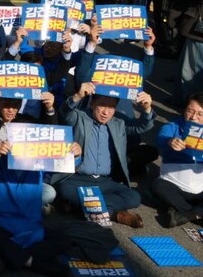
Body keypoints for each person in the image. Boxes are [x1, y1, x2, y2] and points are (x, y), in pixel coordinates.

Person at [0, 117, 80, 277]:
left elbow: (64, 163)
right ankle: (35, 263)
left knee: (65, 240)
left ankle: (9, 257)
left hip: (29, 225)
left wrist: (74, 154)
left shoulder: (40, 160)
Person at [53, 83, 155, 228]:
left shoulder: (118, 123)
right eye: (102, 105)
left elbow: (142, 126)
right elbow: (64, 113)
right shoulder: (79, 117)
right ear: (92, 103)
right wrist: (78, 96)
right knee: (64, 191)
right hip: (76, 179)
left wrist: (147, 109)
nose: (106, 112)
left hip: (104, 182)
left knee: (134, 197)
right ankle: (114, 213)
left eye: (111, 107)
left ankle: (87, 209)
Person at [151, 93, 203, 227]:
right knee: (158, 186)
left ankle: (184, 214)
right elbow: (161, 138)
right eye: (190, 111)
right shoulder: (173, 126)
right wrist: (169, 142)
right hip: (174, 184)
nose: (193, 117)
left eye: (200, 114)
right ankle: (196, 214)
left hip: (200, 188)